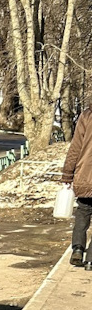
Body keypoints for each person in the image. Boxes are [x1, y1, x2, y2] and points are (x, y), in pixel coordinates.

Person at [63, 105, 92, 267]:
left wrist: (67, 173)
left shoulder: (87, 115)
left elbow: (75, 148)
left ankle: (78, 250)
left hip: (85, 176)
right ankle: (91, 260)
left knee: (82, 213)